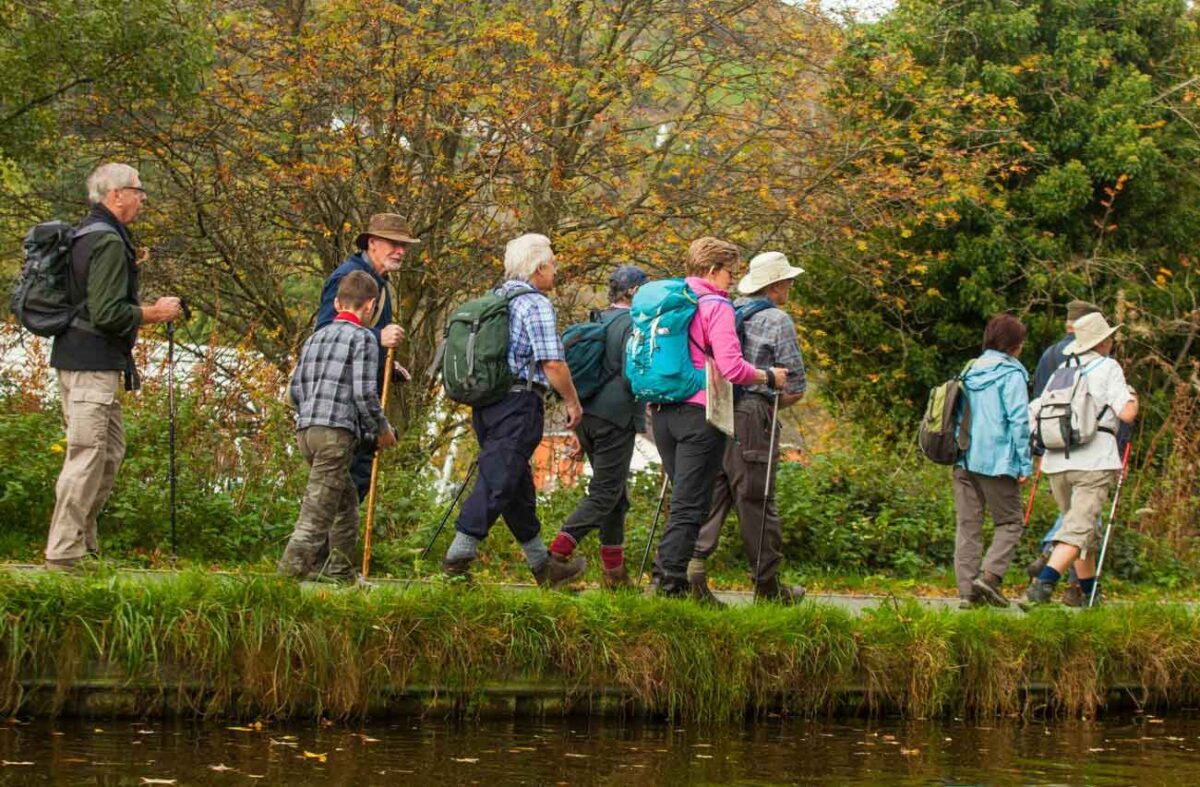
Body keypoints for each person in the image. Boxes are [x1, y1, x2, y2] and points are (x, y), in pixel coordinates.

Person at [44, 163, 183, 570]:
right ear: (116, 194)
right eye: (139, 191)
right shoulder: (105, 241)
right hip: (90, 364)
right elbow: (105, 313)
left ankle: (83, 545)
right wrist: (154, 313)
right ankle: (64, 552)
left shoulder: (90, 234)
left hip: (87, 360)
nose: (143, 198)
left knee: (108, 453)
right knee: (87, 454)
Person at [441, 234, 587, 587]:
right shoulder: (535, 303)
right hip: (519, 402)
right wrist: (572, 401)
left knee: (515, 484)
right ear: (540, 268)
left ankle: (543, 567)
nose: (555, 270)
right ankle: (458, 559)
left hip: (487, 403)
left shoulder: (498, 297)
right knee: (497, 479)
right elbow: (552, 363)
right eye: (552, 264)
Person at [651, 237, 787, 600]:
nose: (732, 280)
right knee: (690, 505)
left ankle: (667, 581)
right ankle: (668, 586)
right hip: (699, 410)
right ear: (712, 270)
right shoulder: (716, 306)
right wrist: (767, 376)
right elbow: (732, 367)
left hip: (661, 412)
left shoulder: (671, 300)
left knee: (684, 500)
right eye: (729, 271)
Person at [691, 251, 808, 604]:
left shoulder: (725, 309)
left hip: (713, 409)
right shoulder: (777, 319)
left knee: (714, 492)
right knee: (757, 498)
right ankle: (768, 586)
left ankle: (691, 570)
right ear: (774, 285)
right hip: (753, 412)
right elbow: (796, 384)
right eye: (787, 280)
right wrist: (767, 409)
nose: (790, 286)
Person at [278, 271, 396, 584]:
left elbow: (295, 391)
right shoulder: (364, 339)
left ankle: (343, 574)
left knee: (345, 506)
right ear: (370, 305)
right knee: (315, 517)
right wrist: (381, 429)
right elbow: (363, 393)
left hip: (306, 432)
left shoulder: (314, 337)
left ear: (336, 302)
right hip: (335, 434)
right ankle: (282, 585)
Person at [1024, 312, 1138, 607]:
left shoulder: (1063, 369)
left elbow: (1034, 411)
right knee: (1078, 529)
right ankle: (1043, 584)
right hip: (1094, 460)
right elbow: (1126, 413)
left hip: (1057, 461)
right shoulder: (1109, 367)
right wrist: (1133, 397)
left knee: (1084, 529)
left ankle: (1089, 595)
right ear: (1103, 342)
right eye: (1110, 337)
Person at [547, 265, 649, 588]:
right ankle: (557, 554)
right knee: (606, 493)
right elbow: (633, 374)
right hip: (615, 419)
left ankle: (615, 574)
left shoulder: (598, 319)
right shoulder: (634, 324)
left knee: (616, 496)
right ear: (633, 292)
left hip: (586, 418)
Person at [315, 213, 417, 500]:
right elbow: (325, 334)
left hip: (360, 404)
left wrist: (385, 359)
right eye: (393, 244)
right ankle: (320, 546)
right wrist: (377, 338)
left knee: (354, 487)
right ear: (372, 243)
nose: (400, 251)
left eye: (404, 246)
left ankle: (335, 546)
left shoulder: (379, 283)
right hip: (342, 404)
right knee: (339, 490)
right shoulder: (348, 278)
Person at [952, 314, 1034, 608]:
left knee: (968, 525)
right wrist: (1025, 464)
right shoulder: (1011, 374)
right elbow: (1019, 422)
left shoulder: (970, 369)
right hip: (997, 460)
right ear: (1014, 344)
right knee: (1010, 522)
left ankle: (966, 594)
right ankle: (989, 579)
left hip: (963, 457)